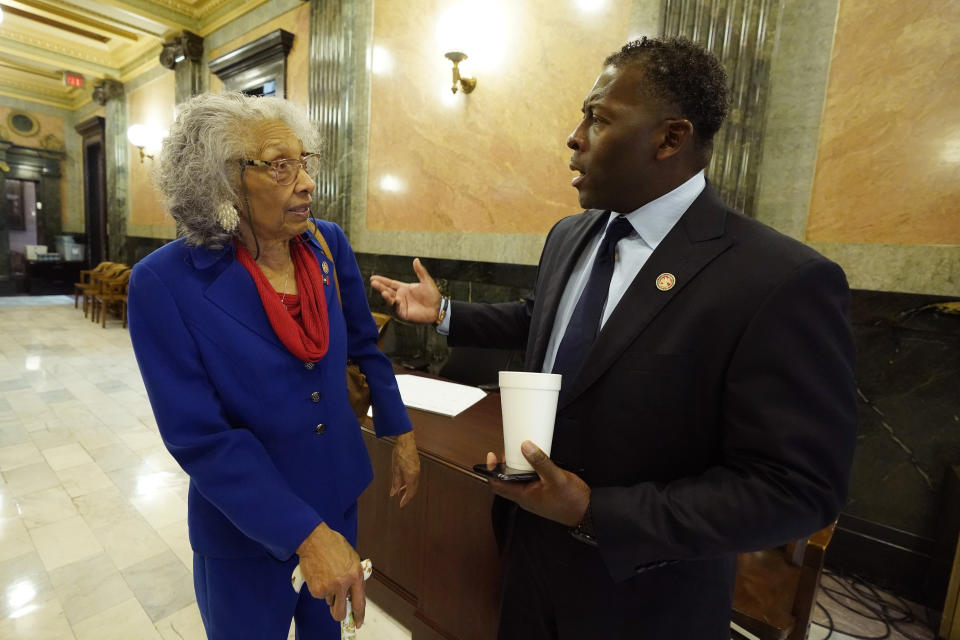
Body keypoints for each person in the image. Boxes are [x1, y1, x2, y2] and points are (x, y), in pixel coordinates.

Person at [370, 37, 857, 639]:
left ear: (670, 138)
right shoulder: (571, 235)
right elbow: (546, 320)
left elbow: (798, 490)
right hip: (526, 562)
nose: (574, 137)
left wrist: (595, 512)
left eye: (598, 119)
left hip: (645, 598)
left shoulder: (779, 280)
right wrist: (447, 312)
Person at [127, 92, 420, 640]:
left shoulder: (326, 243)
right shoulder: (164, 283)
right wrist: (305, 535)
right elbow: (200, 438)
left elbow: (365, 346)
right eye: (279, 167)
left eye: (303, 162)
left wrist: (399, 429)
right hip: (244, 531)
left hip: (338, 497)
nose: (307, 184)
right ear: (219, 181)